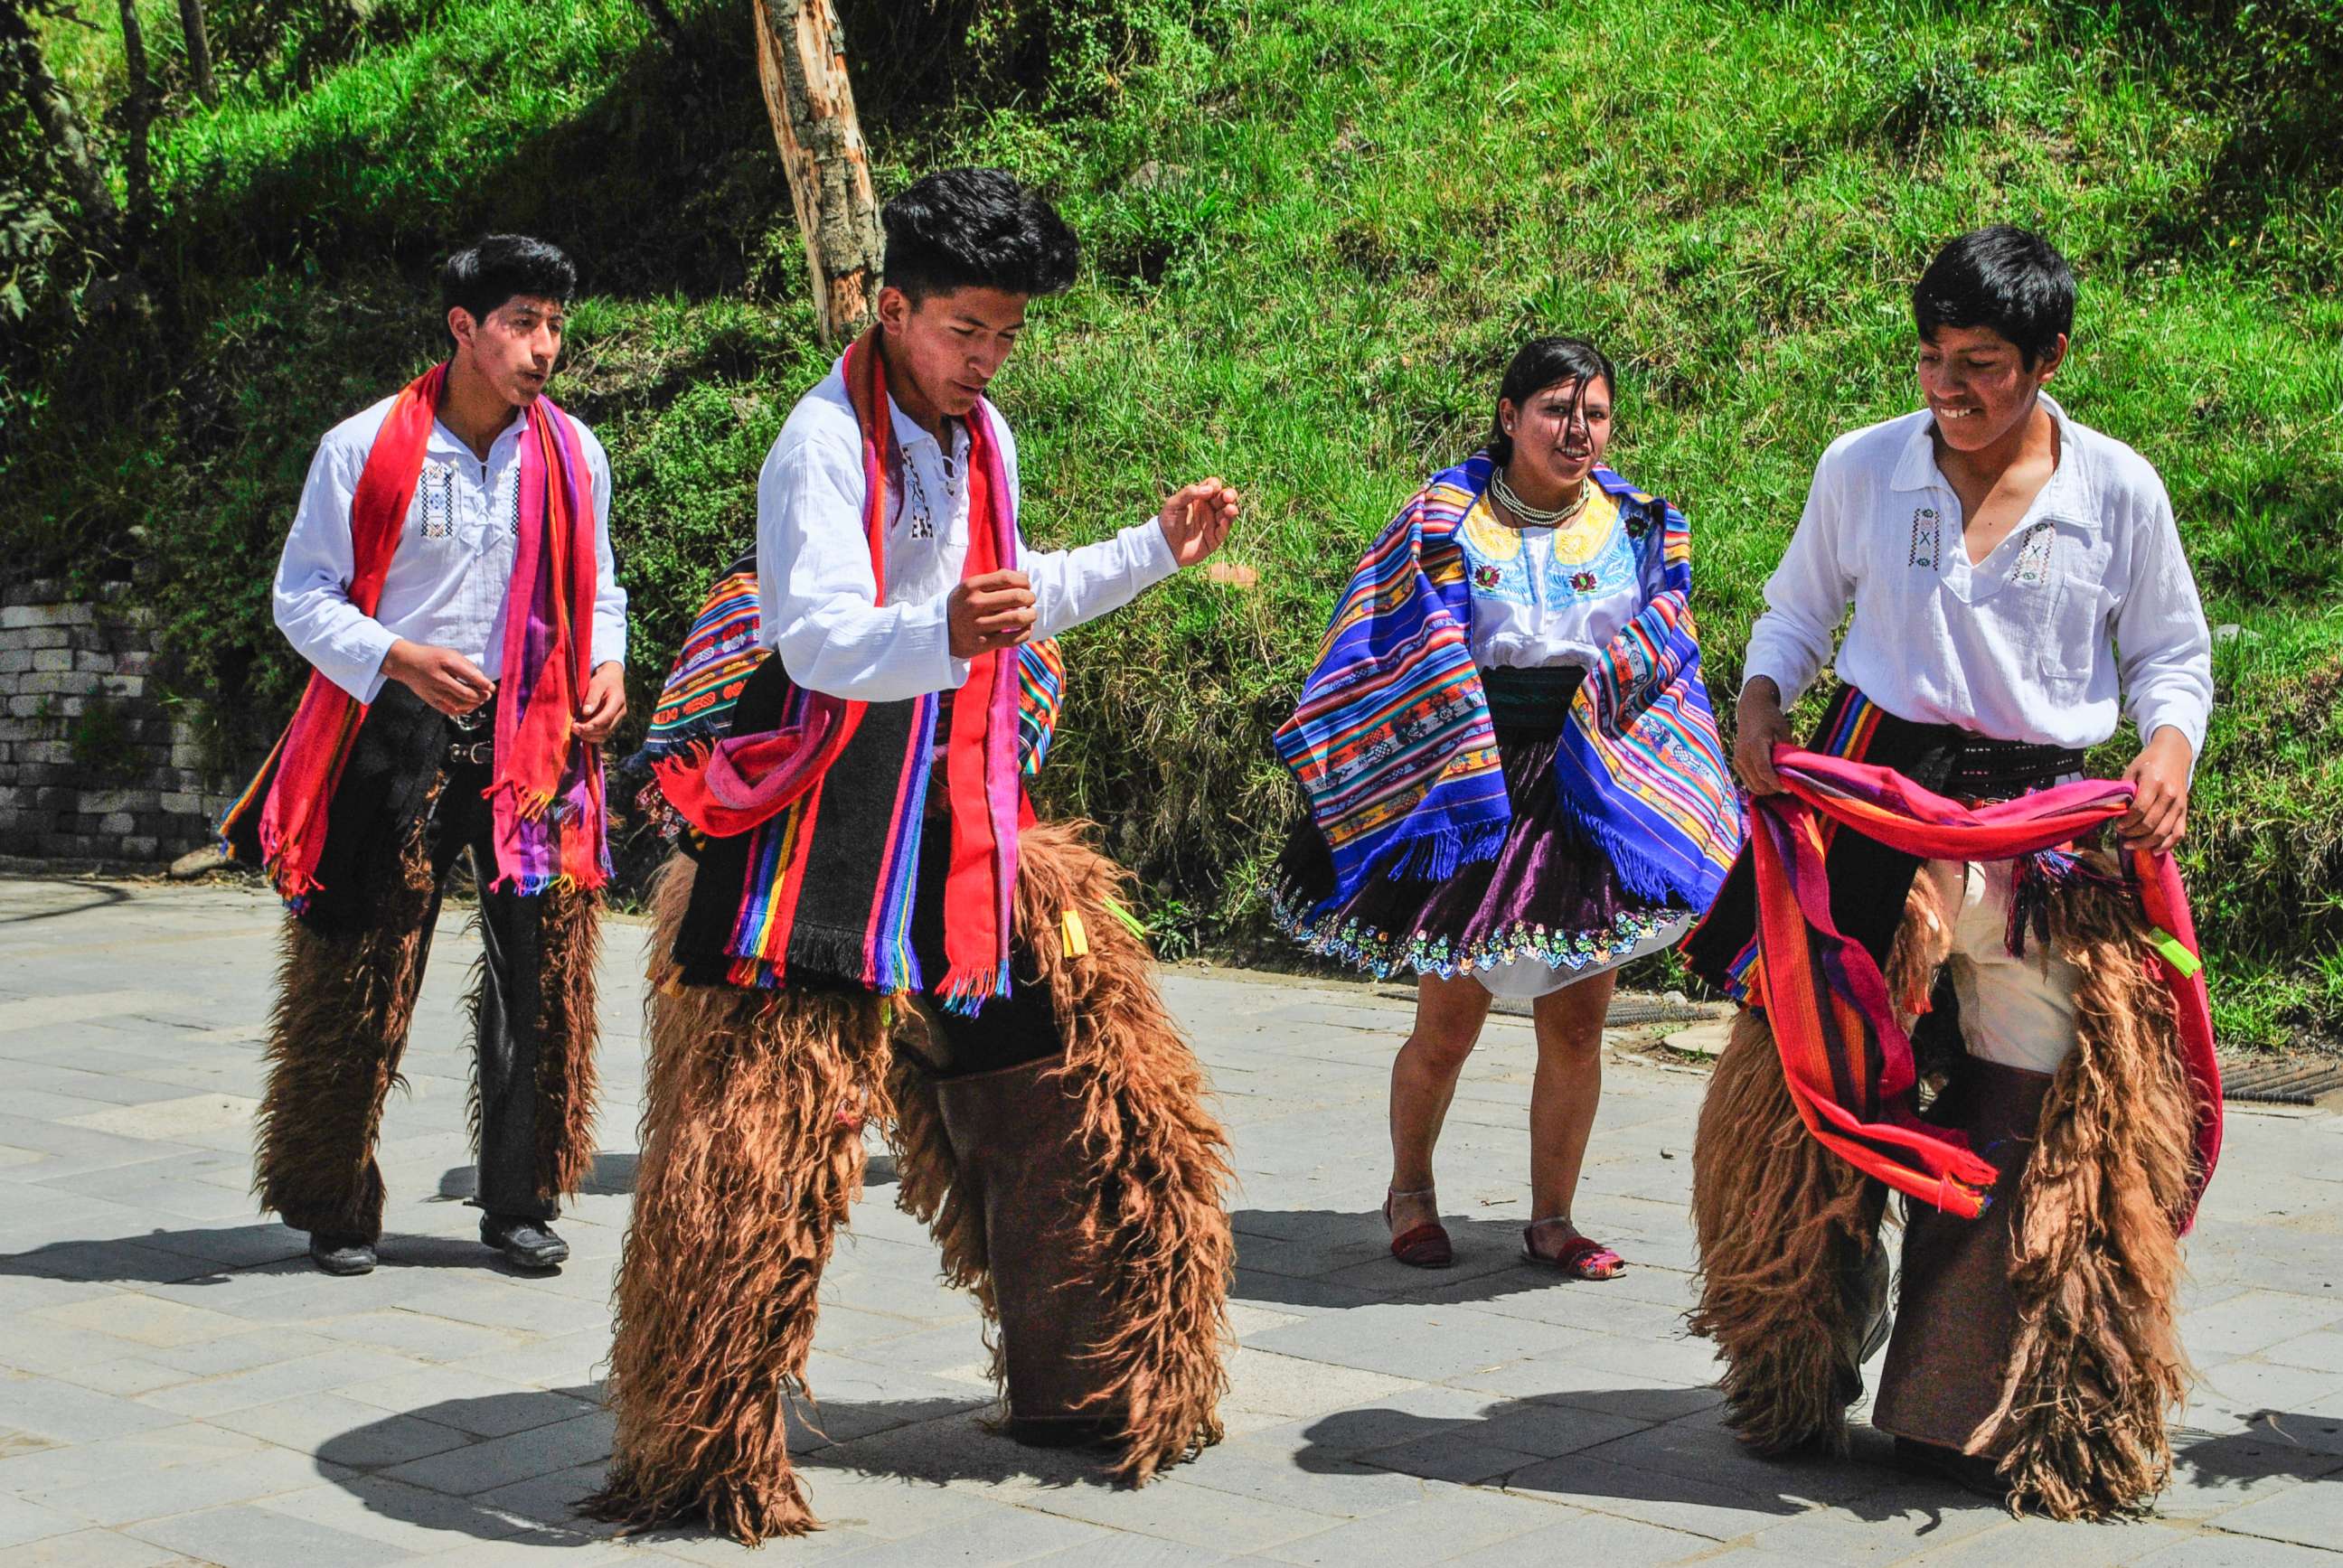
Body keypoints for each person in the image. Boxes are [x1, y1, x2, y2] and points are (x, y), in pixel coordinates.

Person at [586, 168, 1239, 1545]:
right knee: (765, 1142)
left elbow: (1013, 593)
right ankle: (707, 1437)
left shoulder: (978, 431)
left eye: (1005, 334)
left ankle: (1091, 1375)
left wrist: (1150, 551)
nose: (986, 359)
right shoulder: (820, 442)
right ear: (891, 308)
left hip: (962, 790)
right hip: (821, 810)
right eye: (963, 330)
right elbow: (817, 635)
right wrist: (951, 630)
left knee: (1066, 1064)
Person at [1682, 226, 2223, 1520]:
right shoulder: (1864, 466)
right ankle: (1790, 1370)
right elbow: (1797, 610)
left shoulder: (2119, 489)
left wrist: (2167, 751)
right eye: (1931, 357)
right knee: (1804, 1097)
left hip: (2048, 830)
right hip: (1872, 807)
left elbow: (2172, 657)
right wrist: (1761, 698)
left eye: (1980, 364)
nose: (1948, 386)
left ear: (2050, 358)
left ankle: (1975, 1403)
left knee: (2046, 1122)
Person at [1272, 336, 1742, 1279]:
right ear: (1509, 415)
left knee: (1576, 1027)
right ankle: (1411, 1193)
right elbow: (1381, 635)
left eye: (1595, 415)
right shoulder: (1445, 518)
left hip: (1592, 781)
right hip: (1472, 782)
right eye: (1556, 412)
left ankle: (1554, 1218)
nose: (1577, 432)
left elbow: (1668, 653)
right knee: (1448, 1024)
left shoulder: (1641, 526)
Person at [221, 235, 626, 1276]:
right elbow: (301, 597)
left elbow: (604, 584)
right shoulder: (362, 446)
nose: (545, 347)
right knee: (360, 959)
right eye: (521, 324)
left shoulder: (575, 452)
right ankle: (332, 1197)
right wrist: (395, 655)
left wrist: (612, 660)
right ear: (463, 328)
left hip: (532, 733)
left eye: (554, 325)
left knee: (542, 971)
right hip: (392, 725)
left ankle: (521, 1199)